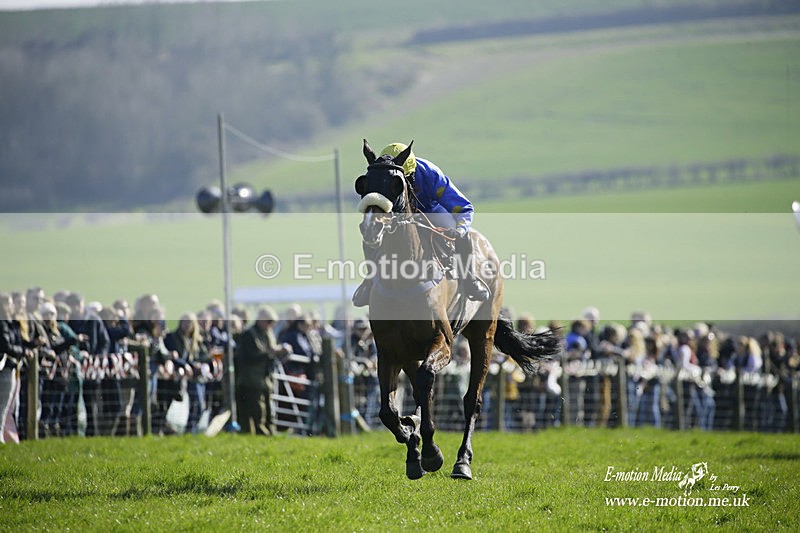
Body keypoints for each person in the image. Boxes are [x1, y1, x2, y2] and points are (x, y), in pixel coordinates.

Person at [352, 142, 489, 306]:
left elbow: (463, 207)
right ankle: (370, 280)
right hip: (398, 216)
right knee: (371, 230)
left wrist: (460, 229)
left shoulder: (430, 174)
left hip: (431, 211)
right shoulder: (382, 175)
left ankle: (469, 279)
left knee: (464, 234)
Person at [236, 306, 291, 435]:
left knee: (269, 405)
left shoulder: (268, 333)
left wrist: (280, 352)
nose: (270, 325)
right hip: (251, 378)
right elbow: (250, 357)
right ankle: (260, 432)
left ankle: (269, 431)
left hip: (266, 377)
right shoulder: (249, 335)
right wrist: (271, 352)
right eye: (269, 321)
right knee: (257, 408)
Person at [164, 312, 209, 434]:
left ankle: (189, 432)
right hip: (176, 375)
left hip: (193, 376)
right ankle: (164, 428)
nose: (186, 324)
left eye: (189, 322)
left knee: (198, 406)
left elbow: (202, 356)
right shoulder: (171, 337)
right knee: (167, 403)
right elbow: (173, 355)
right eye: (184, 321)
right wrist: (185, 365)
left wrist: (199, 364)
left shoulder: (197, 340)